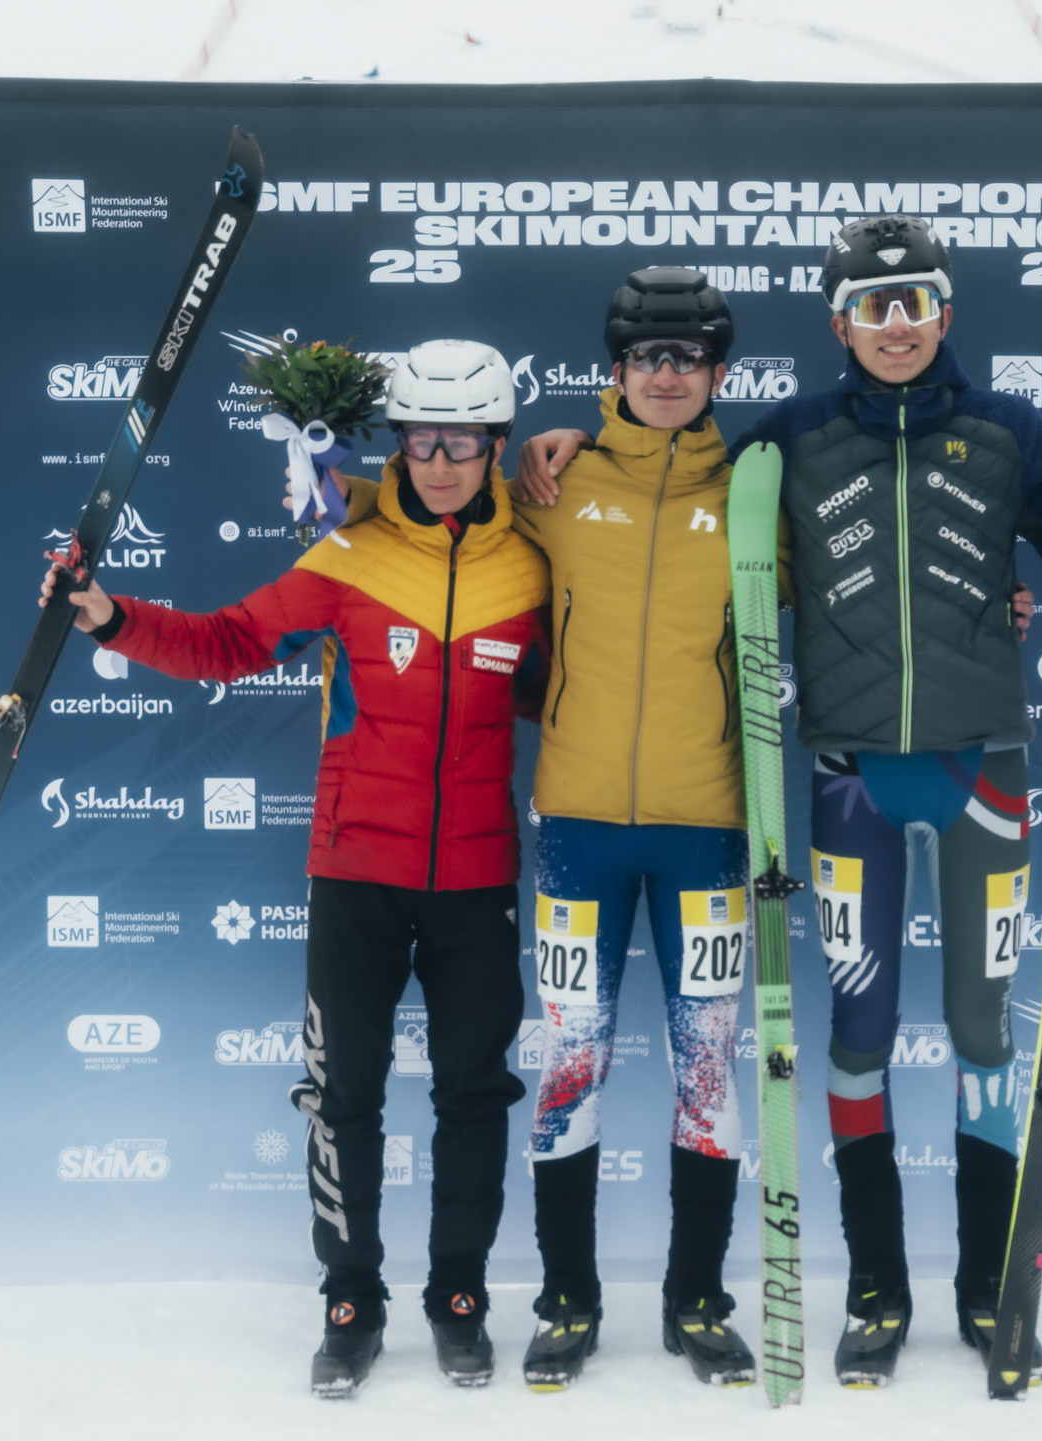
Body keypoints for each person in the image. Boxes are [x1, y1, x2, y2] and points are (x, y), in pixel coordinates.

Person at [525, 215, 1042, 1390]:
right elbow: (678, 495)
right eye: (873, 307)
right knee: (862, 1035)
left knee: (984, 1031)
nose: (896, 325)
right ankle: (879, 1287)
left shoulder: (1009, 429)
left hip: (984, 772)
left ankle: (989, 1288)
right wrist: (571, 439)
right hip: (849, 779)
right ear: (838, 323)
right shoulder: (788, 441)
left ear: (946, 312)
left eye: (915, 301)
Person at [42, 340, 548, 1397]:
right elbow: (229, 642)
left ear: (496, 446)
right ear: (398, 442)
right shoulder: (348, 556)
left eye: (463, 442)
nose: (440, 462)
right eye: (422, 440)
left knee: (475, 1095)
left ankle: (459, 1297)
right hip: (356, 871)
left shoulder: (535, 564)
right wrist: (113, 617)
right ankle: (350, 1301)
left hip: (477, 879)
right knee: (344, 1095)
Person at [330, 269, 758, 1391]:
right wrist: (323, 477)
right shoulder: (552, 487)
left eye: (689, 357)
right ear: (616, 369)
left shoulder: (757, 491)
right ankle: (569, 1297)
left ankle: (698, 1299)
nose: (667, 375)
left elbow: (856, 603)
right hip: (575, 825)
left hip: (709, 824)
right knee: (569, 1063)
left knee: (707, 1069)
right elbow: (428, 514)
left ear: (719, 372)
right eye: (647, 356)